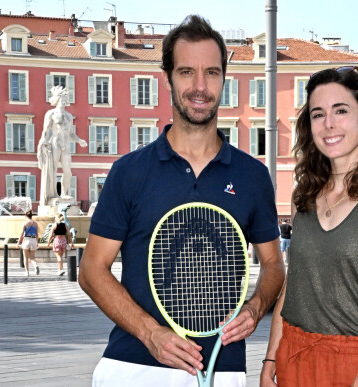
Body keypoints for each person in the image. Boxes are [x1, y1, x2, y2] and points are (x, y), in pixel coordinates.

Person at [78, 15, 285, 387]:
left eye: (212, 73)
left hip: (222, 367)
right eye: (187, 72)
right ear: (168, 77)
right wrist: (150, 333)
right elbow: (92, 270)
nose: (200, 86)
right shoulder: (129, 171)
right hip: (133, 366)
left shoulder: (252, 175)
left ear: (225, 78)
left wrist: (255, 308)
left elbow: (273, 265)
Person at [260, 67, 358, 386]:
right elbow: (294, 285)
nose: (329, 124)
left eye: (341, 110)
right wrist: (270, 358)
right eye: (318, 114)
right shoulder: (302, 196)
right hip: (294, 357)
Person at [38, 86, 87, 205]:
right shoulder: (51, 113)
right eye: (62, 98)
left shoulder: (69, 116)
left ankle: (64, 193)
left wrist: (79, 140)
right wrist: (43, 142)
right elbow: (45, 130)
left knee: (68, 171)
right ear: (57, 99)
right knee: (53, 170)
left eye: (65, 98)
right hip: (55, 142)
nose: (64, 100)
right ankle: (53, 194)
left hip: (66, 144)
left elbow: (71, 133)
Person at [16, 210, 40, 276]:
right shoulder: (35, 224)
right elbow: (37, 234)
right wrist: (37, 242)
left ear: (26, 216)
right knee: (32, 258)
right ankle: (35, 265)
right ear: (31, 216)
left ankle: (27, 272)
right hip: (33, 240)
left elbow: (21, 234)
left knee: (25, 257)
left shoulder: (25, 223)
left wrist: (18, 242)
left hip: (26, 240)